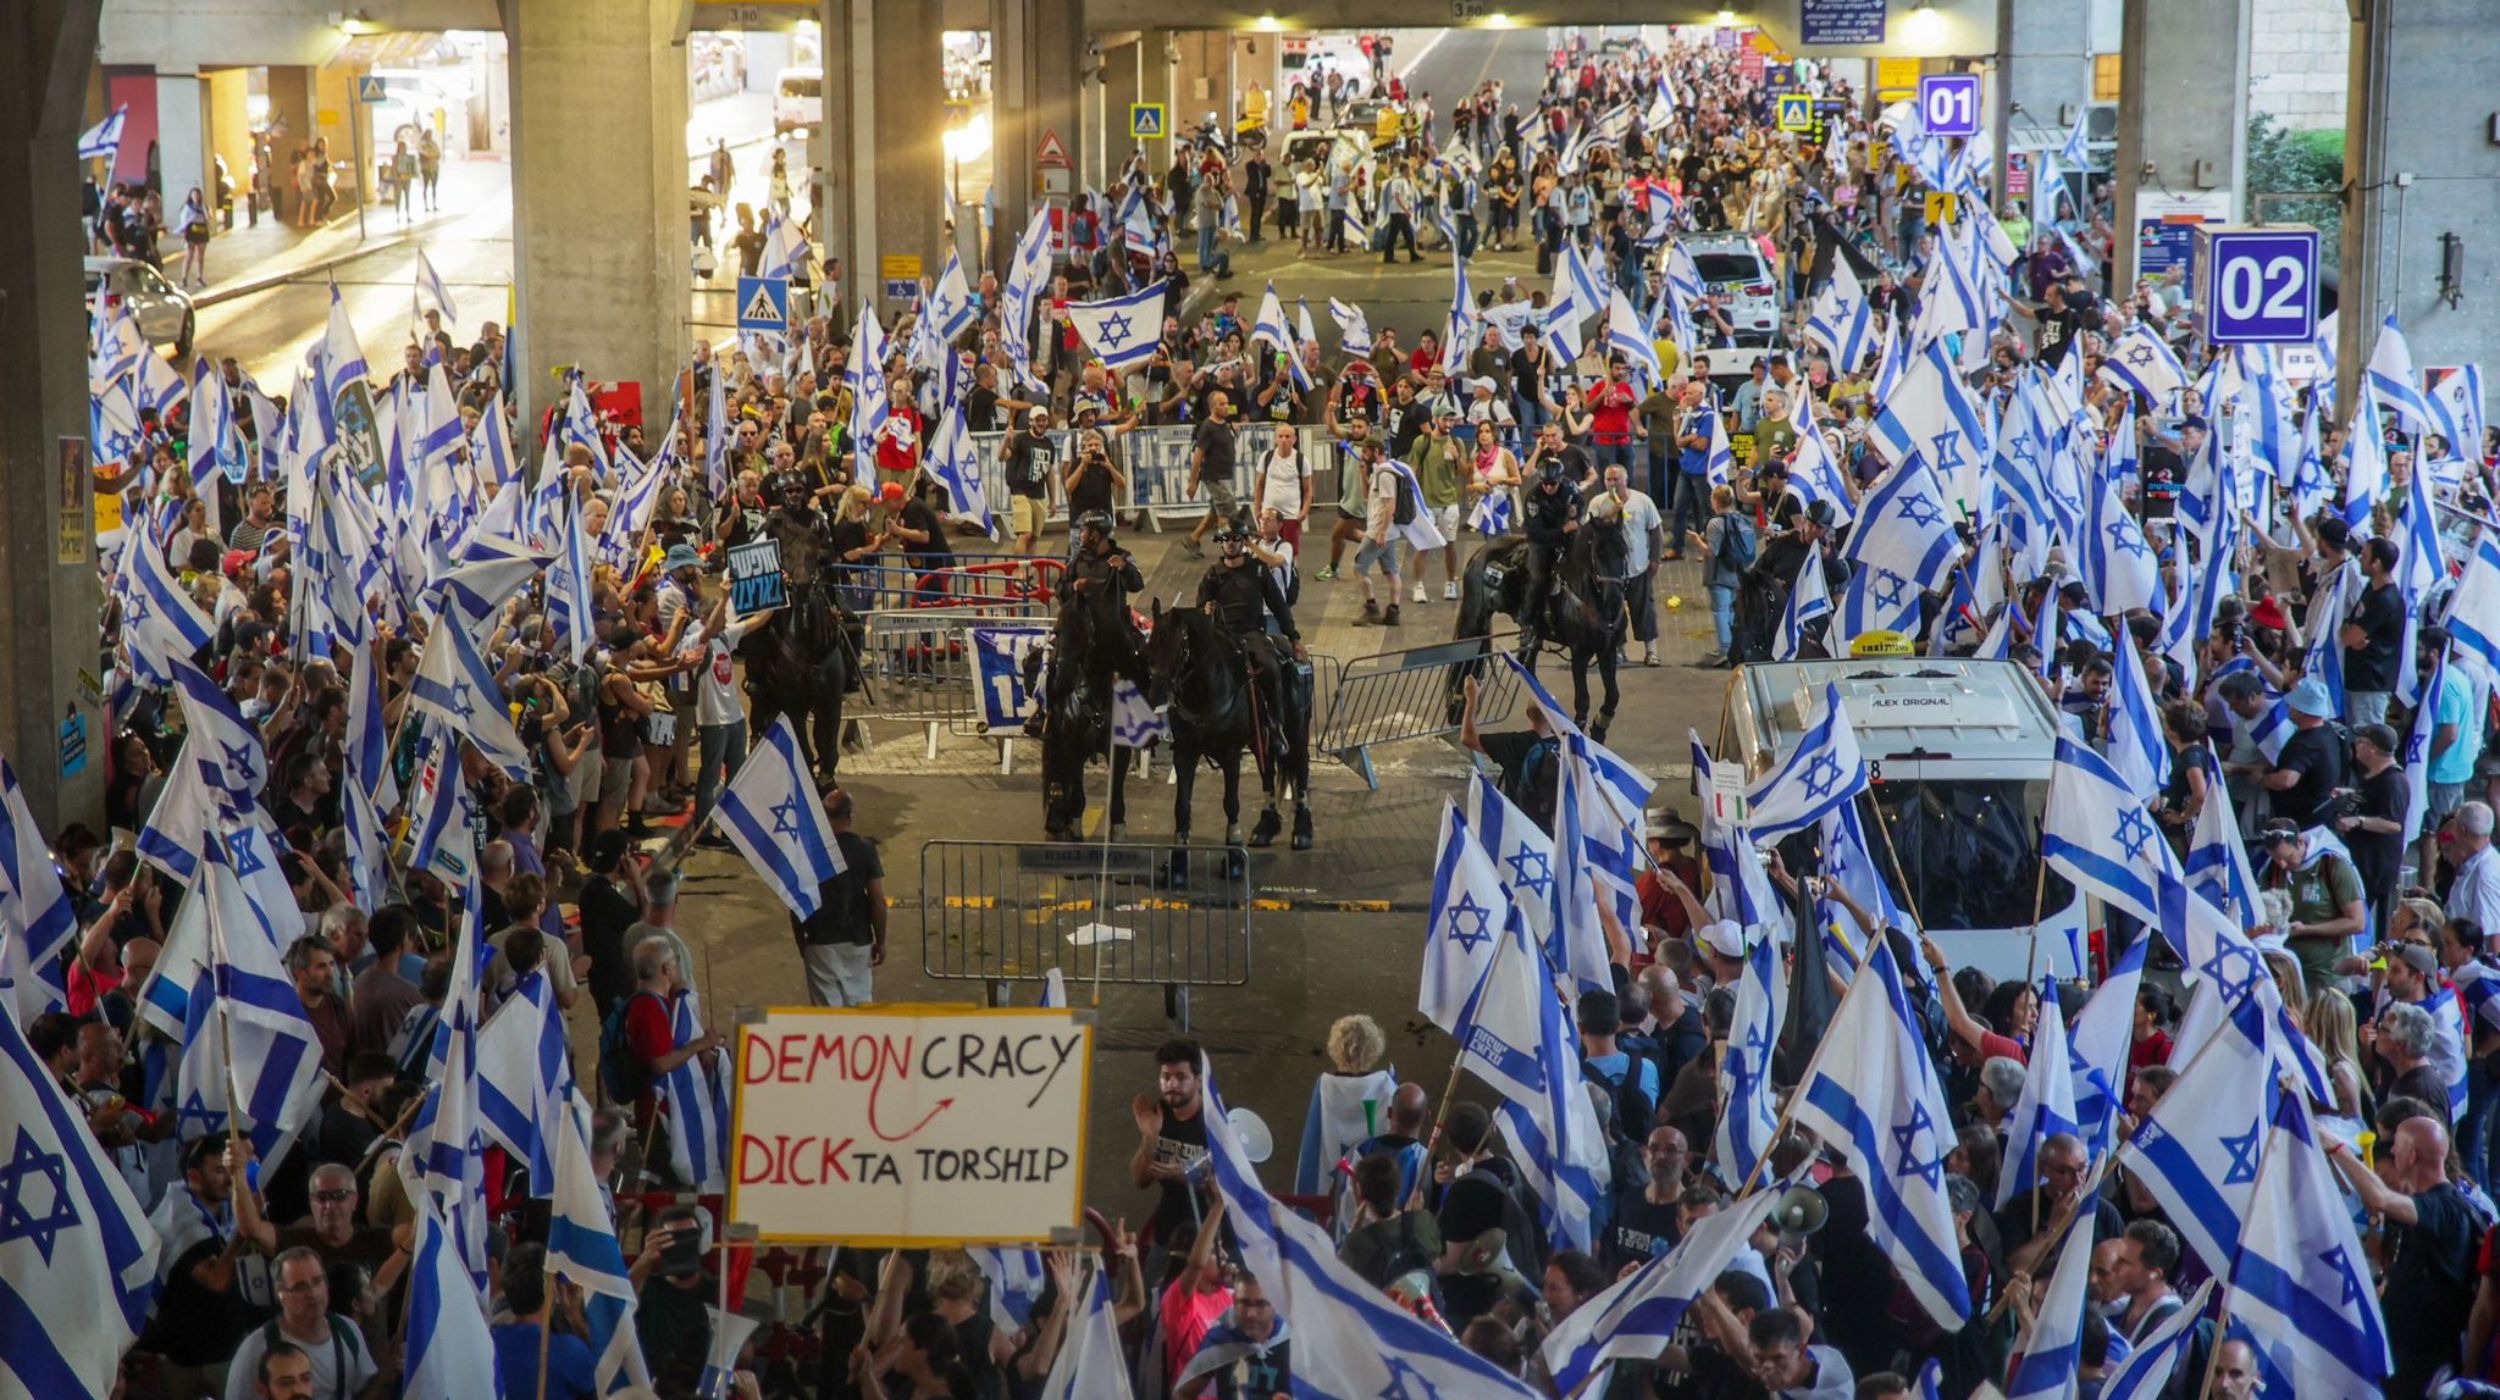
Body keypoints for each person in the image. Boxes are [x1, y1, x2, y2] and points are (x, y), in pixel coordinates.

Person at [2328, 1116, 2478, 1394]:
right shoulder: (2423, 1204)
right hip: (2402, 1354)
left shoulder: (2445, 1208)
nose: (2392, 1151)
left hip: (2424, 1364)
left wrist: (2337, 1149)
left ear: (2412, 1155)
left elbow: (2381, 1198)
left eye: (2397, 1145)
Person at [1194, 519, 1304, 767]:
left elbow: (1279, 605)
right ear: (1220, 544)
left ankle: (1275, 727)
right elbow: (1200, 606)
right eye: (1226, 540)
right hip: (1222, 636)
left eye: (1235, 539)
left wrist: (1294, 637)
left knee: (1271, 666)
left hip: (1251, 634)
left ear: (1244, 542)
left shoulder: (1258, 570)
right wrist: (1206, 608)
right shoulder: (1212, 574)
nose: (1231, 544)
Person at [221, 1246, 386, 1400]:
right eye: (300, 1287)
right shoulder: (255, 1349)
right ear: (280, 1294)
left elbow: (364, 1392)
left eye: (317, 1282)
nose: (312, 1293)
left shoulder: (347, 1330)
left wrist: (386, 1373)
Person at [789, 787, 886, 1006]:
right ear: (849, 817)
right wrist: (880, 941)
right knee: (860, 1011)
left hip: (819, 939)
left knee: (826, 1017)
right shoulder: (864, 849)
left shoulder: (807, 851)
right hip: (857, 940)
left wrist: (801, 942)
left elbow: (796, 902)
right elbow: (877, 900)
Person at [2258, 818, 2369, 990]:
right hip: (2287, 976)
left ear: (2300, 842)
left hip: (2327, 976)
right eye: (2276, 859)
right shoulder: (2271, 870)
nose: (2282, 865)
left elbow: (2357, 922)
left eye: (2287, 858)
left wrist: (2308, 930)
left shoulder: (2331, 864)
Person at [1132, 1038, 1211, 1246]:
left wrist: (1185, 1175)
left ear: (1199, 1080)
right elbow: (1140, 1180)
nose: (1171, 1085)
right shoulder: (1160, 1113)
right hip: (1168, 1235)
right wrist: (1150, 1138)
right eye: (1165, 1077)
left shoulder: (1216, 1121)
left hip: (1214, 1239)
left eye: (1181, 1077)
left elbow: (1230, 1189)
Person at [493, 1244, 597, 1400]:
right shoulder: (570, 1352)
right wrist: (574, 1317)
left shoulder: (488, 1343)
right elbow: (599, 1382)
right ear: (552, 1290)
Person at [1459, 675, 1560, 833]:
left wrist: (1472, 698)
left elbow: (1467, 737)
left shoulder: (1514, 743)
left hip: (1518, 828)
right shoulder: (1565, 746)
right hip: (1552, 831)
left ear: (1528, 713)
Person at [1515, 453, 1584, 659]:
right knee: (1538, 578)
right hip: (1543, 542)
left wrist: (1577, 513)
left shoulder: (1570, 489)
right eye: (1544, 484)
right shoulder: (1534, 498)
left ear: (1560, 479)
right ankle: (1527, 622)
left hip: (1567, 536)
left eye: (1552, 484)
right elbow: (1535, 532)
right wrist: (1563, 530)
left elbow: (1581, 503)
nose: (1548, 488)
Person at [1601, 463, 1665, 666]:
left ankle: (1651, 651)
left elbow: (1656, 531)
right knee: (1613, 611)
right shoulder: (1598, 503)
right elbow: (1592, 533)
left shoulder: (1643, 502)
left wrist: (1655, 558)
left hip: (1638, 566)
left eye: (1616, 479)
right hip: (1611, 572)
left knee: (1644, 609)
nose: (1612, 483)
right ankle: (1619, 650)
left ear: (1625, 480)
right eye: (1609, 479)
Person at [1349, 439, 1406, 627]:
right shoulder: (1378, 472)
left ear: (1376, 451)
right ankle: (1393, 612)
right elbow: (1368, 496)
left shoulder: (1385, 475)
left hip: (1379, 532)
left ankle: (1371, 607)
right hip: (1387, 531)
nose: (1363, 455)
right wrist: (1362, 474)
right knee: (1391, 571)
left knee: (1359, 567)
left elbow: (1390, 505)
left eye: (1366, 452)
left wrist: (1381, 532)